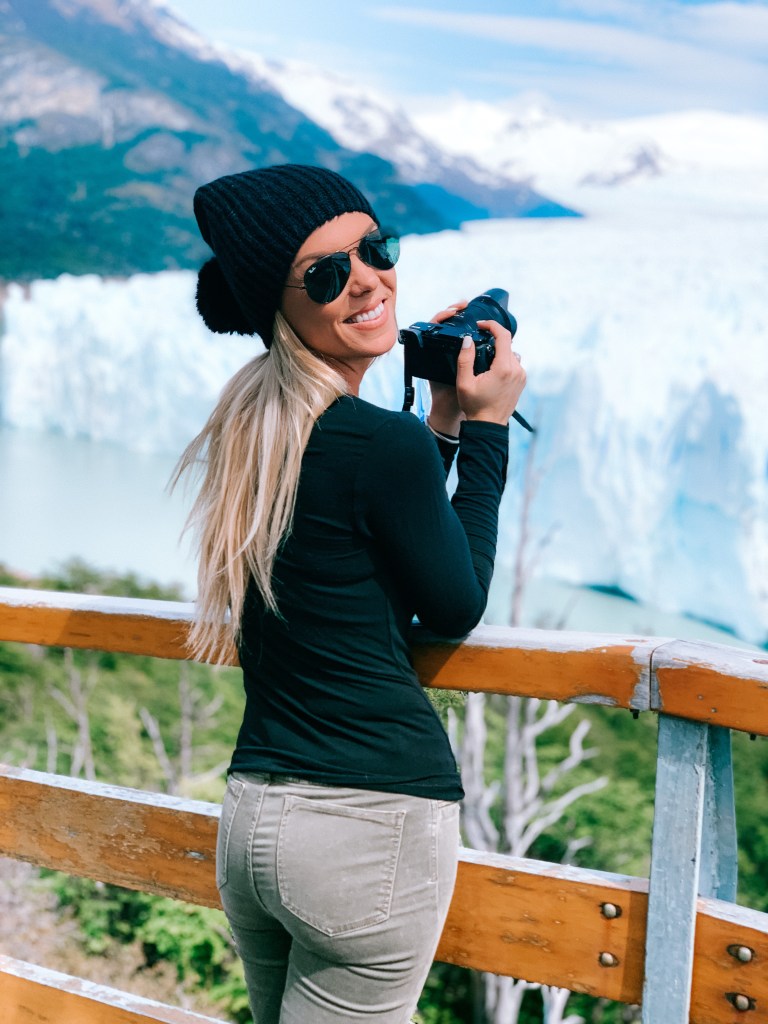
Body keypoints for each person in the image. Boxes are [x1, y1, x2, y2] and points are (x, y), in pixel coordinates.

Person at [174, 164, 526, 1024]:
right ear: (278, 307)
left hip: (257, 822)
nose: (368, 279)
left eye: (375, 248)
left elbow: (370, 532)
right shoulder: (377, 447)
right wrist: (482, 433)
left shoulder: (254, 430)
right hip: (371, 830)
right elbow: (452, 602)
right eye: (327, 274)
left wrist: (436, 424)